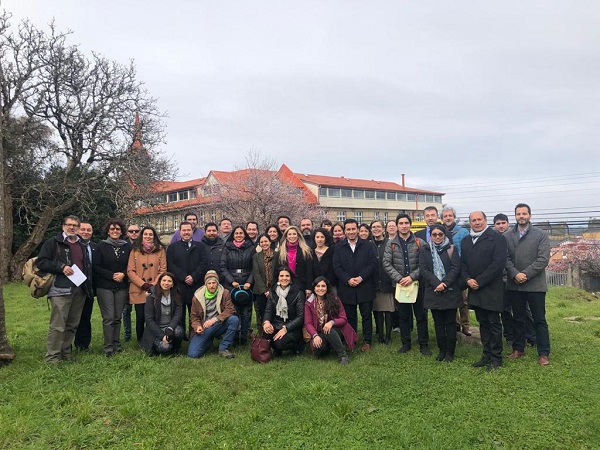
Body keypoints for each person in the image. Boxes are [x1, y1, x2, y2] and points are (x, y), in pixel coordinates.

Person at [37, 215, 93, 364]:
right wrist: (61, 267)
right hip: (60, 289)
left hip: (79, 289)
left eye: (75, 225)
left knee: (72, 324)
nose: (72, 227)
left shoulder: (82, 245)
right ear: (63, 226)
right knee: (58, 325)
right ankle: (52, 357)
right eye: (69, 225)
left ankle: (65, 353)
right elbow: (41, 262)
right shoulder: (53, 243)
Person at [505, 203, 552, 366]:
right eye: (518, 214)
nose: (521, 216)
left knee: (539, 319)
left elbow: (543, 259)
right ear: (515, 216)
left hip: (535, 285)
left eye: (524, 213)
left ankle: (544, 353)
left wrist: (525, 274)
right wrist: (515, 274)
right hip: (515, 284)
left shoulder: (541, 235)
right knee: (518, 318)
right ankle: (518, 349)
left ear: (530, 216)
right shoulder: (507, 236)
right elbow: (505, 259)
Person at [461, 211, 507, 371]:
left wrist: (479, 281)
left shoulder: (497, 238)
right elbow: (463, 264)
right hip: (474, 288)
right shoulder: (466, 241)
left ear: (485, 220)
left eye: (479, 219)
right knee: (482, 323)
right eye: (473, 220)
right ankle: (486, 354)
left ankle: (496, 358)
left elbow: (498, 264)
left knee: (494, 323)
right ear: (470, 223)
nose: (477, 222)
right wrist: (467, 279)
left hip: (491, 288)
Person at [383, 214, 430, 355]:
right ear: (397, 226)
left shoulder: (419, 242)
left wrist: (412, 276)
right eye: (401, 223)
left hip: (417, 285)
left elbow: (426, 263)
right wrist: (399, 278)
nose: (404, 225)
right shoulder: (390, 243)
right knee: (404, 316)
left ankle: (423, 344)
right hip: (401, 286)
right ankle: (406, 343)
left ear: (410, 225)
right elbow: (386, 263)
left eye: (406, 223)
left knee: (421, 315)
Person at [333, 219, 378, 351]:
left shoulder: (368, 245)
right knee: (350, 316)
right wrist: (347, 279)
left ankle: (367, 341)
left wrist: (361, 277)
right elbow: (337, 267)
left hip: (365, 285)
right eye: (348, 229)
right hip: (347, 287)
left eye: (353, 229)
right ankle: (351, 340)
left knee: (366, 316)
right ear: (345, 231)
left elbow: (372, 264)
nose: (351, 232)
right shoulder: (339, 247)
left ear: (358, 230)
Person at [419, 224, 463, 362]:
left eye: (440, 234)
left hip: (449, 291)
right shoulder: (425, 250)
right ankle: (442, 350)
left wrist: (444, 283)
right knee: (438, 323)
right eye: (434, 234)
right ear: (430, 236)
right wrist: (436, 283)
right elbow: (423, 269)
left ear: (444, 235)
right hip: (434, 292)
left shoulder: (451, 249)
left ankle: (450, 352)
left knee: (450, 323)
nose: (437, 237)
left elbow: (456, 268)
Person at [94, 219, 131, 357]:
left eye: (117, 229)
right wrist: (111, 275)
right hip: (105, 286)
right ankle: (108, 347)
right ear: (108, 231)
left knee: (117, 317)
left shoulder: (127, 247)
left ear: (121, 231)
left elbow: (131, 265)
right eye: (112, 229)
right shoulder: (101, 246)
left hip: (121, 286)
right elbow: (96, 266)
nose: (115, 231)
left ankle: (116, 344)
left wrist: (123, 274)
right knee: (108, 318)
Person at [167, 221, 207, 338]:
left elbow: (203, 263)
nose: (186, 232)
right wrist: (183, 277)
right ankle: (180, 336)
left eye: (188, 230)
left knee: (194, 312)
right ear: (180, 232)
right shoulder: (173, 247)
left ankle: (194, 335)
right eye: (183, 230)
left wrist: (194, 277)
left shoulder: (200, 246)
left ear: (192, 232)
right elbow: (171, 264)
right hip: (179, 285)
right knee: (179, 313)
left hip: (196, 285)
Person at [127, 226, 167, 343]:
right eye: (146, 234)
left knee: (155, 316)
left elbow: (163, 270)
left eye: (151, 234)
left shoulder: (160, 250)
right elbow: (130, 270)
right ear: (142, 236)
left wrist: (153, 285)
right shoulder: (135, 250)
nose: (148, 236)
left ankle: (155, 339)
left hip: (155, 289)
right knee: (140, 317)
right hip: (139, 289)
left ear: (154, 236)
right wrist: (143, 284)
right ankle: (141, 341)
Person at [304, 276, 358, 364]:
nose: (320, 289)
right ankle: (332, 345)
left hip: (338, 329)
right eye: (318, 286)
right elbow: (308, 323)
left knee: (328, 330)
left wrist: (332, 322)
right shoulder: (309, 303)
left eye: (323, 286)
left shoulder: (335, 299)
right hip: (319, 332)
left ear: (327, 287)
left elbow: (343, 318)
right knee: (319, 351)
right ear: (314, 288)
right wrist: (315, 335)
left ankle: (343, 356)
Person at [187, 270, 239, 359]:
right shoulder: (197, 297)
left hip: (219, 323)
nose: (211, 286)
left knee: (234, 319)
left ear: (217, 283)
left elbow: (230, 309)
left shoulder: (225, 292)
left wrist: (214, 320)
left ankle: (223, 348)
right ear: (205, 284)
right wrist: (197, 327)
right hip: (204, 327)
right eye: (209, 283)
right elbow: (194, 316)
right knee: (193, 354)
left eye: (214, 283)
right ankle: (208, 343)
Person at [220, 226, 255, 345]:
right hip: (231, 284)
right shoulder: (227, 248)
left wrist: (249, 282)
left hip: (246, 283)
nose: (239, 235)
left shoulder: (251, 248)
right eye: (236, 233)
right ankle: (233, 337)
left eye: (241, 233)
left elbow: (254, 267)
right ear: (233, 235)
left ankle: (244, 337)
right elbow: (223, 267)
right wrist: (231, 281)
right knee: (233, 312)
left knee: (245, 313)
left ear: (244, 234)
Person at [442, 206, 471, 336]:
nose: (448, 218)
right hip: (446, 272)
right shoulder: (440, 231)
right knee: (450, 300)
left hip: (461, 271)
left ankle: (465, 325)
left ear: (454, 217)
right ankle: (455, 324)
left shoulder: (463, 232)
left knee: (463, 300)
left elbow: (468, 251)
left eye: (450, 216)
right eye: (445, 216)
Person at [262, 267, 305, 355]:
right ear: (278, 278)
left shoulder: (298, 293)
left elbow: (301, 317)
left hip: (292, 327)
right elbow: (268, 311)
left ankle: (297, 346)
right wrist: (266, 322)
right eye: (281, 276)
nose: (284, 278)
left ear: (291, 278)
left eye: (287, 276)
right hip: (277, 323)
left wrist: (286, 328)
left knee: (279, 343)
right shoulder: (272, 292)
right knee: (266, 333)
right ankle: (277, 349)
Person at [139, 272, 184, 355]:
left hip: (170, 327)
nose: (166, 283)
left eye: (169, 281)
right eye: (164, 280)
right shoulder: (151, 298)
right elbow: (149, 320)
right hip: (156, 330)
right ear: (159, 282)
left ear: (173, 284)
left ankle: (176, 348)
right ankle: (157, 346)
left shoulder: (177, 297)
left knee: (179, 331)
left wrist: (170, 328)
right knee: (165, 348)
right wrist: (162, 336)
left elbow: (178, 315)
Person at [74, 221, 98, 351]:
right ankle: (65, 345)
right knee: (71, 317)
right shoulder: (71, 246)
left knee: (85, 317)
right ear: (77, 230)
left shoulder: (95, 247)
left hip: (88, 288)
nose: (85, 232)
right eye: (83, 229)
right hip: (73, 287)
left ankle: (82, 345)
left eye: (89, 230)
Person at [370, 220, 395, 345]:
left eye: (378, 227)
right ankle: (380, 335)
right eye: (373, 227)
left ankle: (388, 336)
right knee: (378, 310)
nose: (376, 229)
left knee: (388, 310)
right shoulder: (368, 244)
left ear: (383, 228)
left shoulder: (390, 243)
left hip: (387, 281)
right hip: (373, 282)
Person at [274, 225, 314, 295]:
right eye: (289, 234)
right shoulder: (280, 252)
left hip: (301, 286)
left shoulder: (306, 251)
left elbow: (309, 270)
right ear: (286, 236)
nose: (292, 236)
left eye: (294, 234)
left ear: (298, 235)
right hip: (284, 285)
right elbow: (277, 269)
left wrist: (309, 287)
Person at [122, 224, 140, 342]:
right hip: (126, 282)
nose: (134, 233)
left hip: (140, 282)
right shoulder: (123, 245)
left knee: (141, 311)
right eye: (131, 231)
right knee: (126, 310)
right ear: (127, 233)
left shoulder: (143, 245)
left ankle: (141, 334)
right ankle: (127, 335)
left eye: (136, 231)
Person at [252, 234, 275, 328]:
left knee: (274, 313)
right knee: (262, 313)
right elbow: (256, 274)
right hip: (260, 291)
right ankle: (263, 336)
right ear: (259, 244)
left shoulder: (276, 255)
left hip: (274, 289)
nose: (264, 243)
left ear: (270, 242)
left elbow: (278, 273)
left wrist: (271, 289)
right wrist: (265, 290)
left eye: (266, 241)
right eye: (261, 242)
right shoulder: (256, 256)